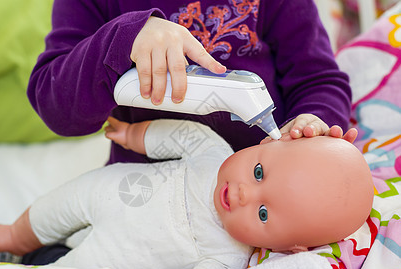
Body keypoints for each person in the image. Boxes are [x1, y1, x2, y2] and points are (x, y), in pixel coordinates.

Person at [0, 118, 374, 269]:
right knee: (54, 208)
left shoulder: (226, 259)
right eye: (258, 172)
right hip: (100, 191)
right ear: (268, 144)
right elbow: (185, 136)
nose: (240, 194)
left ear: (287, 248)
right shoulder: (215, 152)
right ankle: (15, 237)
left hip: (109, 257)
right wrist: (134, 135)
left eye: (264, 214)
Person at [26, 0, 354, 165]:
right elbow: (54, 104)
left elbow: (318, 79)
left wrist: (312, 122)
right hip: (143, 198)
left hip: (259, 199)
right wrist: (124, 38)